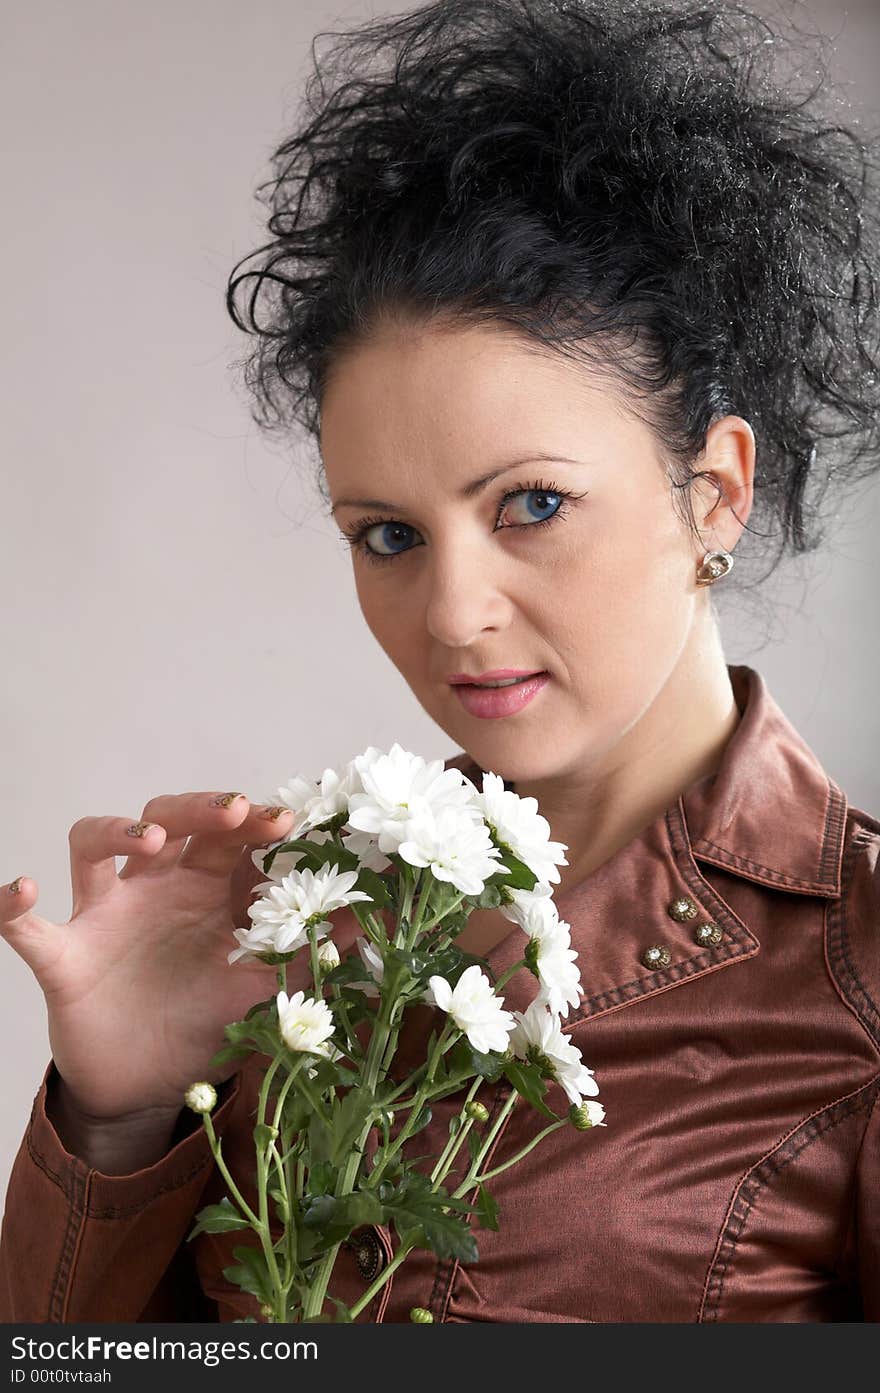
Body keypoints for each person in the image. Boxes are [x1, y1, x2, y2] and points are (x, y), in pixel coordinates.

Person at [1, 0, 879, 1324]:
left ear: (713, 492)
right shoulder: (307, 928)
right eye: (391, 534)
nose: (453, 612)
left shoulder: (855, 966)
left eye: (531, 503)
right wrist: (119, 1116)